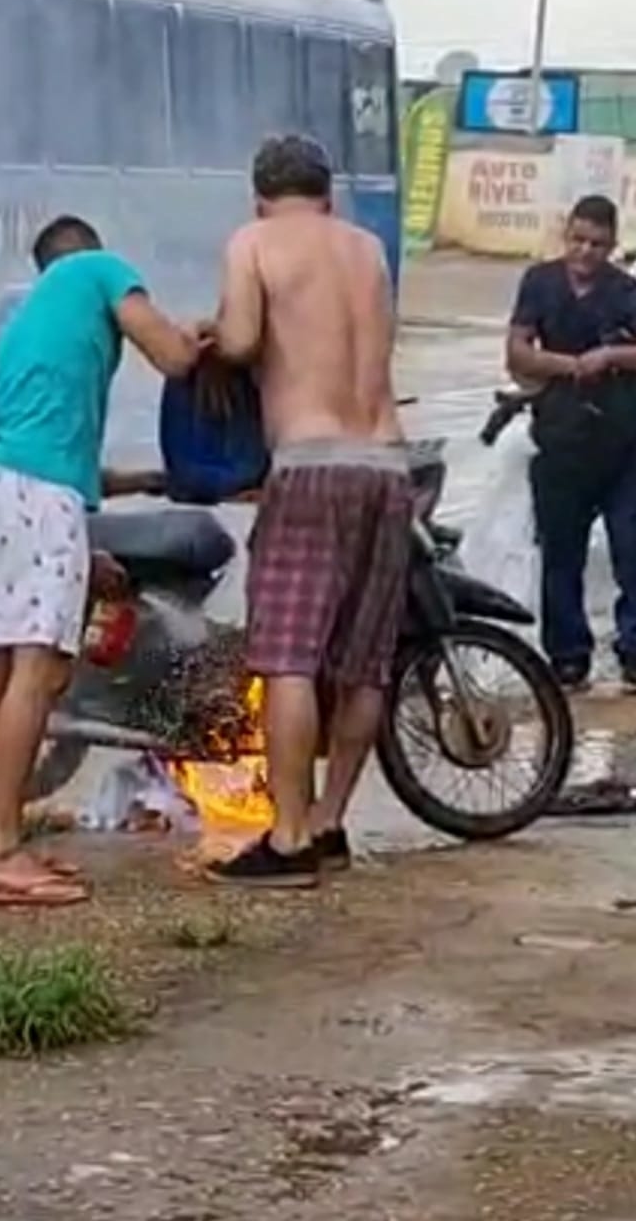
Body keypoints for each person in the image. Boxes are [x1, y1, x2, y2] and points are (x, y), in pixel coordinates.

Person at [0, 214, 202, 908]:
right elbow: (174, 358)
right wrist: (202, 335)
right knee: (38, 669)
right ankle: (1, 854)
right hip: (38, 493)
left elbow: (54, 446)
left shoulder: (28, 321)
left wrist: (143, 480)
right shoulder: (96, 270)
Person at [205, 133, 412, 890]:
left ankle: (287, 839)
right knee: (361, 663)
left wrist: (211, 333)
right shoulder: (367, 250)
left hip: (310, 461)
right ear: (327, 192)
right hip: (387, 465)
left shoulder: (254, 241)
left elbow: (240, 340)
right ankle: (328, 822)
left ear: (259, 194)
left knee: (287, 656)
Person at [507, 195, 636, 696]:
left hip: (627, 449)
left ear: (612, 245)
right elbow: (516, 352)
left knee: (634, 551)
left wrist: (611, 355)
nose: (585, 252)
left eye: (597, 244)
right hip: (561, 443)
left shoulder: (627, 293)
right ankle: (567, 657)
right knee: (561, 555)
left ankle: (635, 653)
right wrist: (568, 366)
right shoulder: (539, 283)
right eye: (578, 240)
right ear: (566, 235)